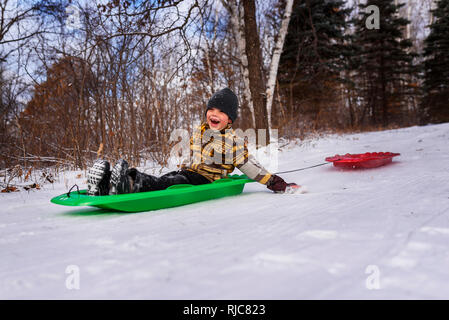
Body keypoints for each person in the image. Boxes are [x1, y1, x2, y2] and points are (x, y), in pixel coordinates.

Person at [86, 88, 301, 196]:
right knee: (166, 178)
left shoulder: (232, 142)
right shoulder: (202, 130)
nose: (214, 114)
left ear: (230, 119)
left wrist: (274, 182)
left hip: (205, 181)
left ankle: (128, 183)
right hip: (189, 172)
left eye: (221, 112)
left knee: (169, 184)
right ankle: (107, 185)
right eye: (211, 110)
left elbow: (249, 165)